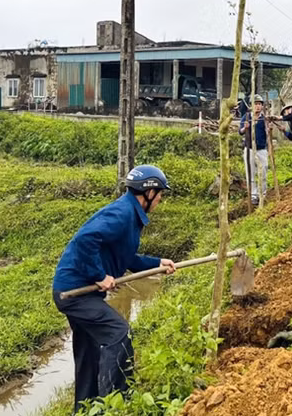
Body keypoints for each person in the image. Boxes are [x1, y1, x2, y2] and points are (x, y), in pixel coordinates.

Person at [52, 165, 176, 413]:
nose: (161, 198)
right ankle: (114, 404)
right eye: (160, 193)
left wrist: (157, 263)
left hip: (82, 291)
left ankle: (84, 409)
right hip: (76, 293)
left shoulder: (130, 213)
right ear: (148, 192)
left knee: (88, 353)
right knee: (119, 334)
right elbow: (85, 239)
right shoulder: (122, 214)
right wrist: (99, 275)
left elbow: (126, 257)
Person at [240, 95, 269, 204]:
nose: (257, 106)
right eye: (255, 104)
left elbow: (268, 135)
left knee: (264, 171)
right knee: (250, 173)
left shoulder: (264, 118)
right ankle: (253, 195)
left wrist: (268, 129)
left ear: (262, 106)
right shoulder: (247, 117)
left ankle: (263, 193)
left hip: (261, 149)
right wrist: (245, 127)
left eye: (259, 104)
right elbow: (240, 131)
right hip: (249, 149)